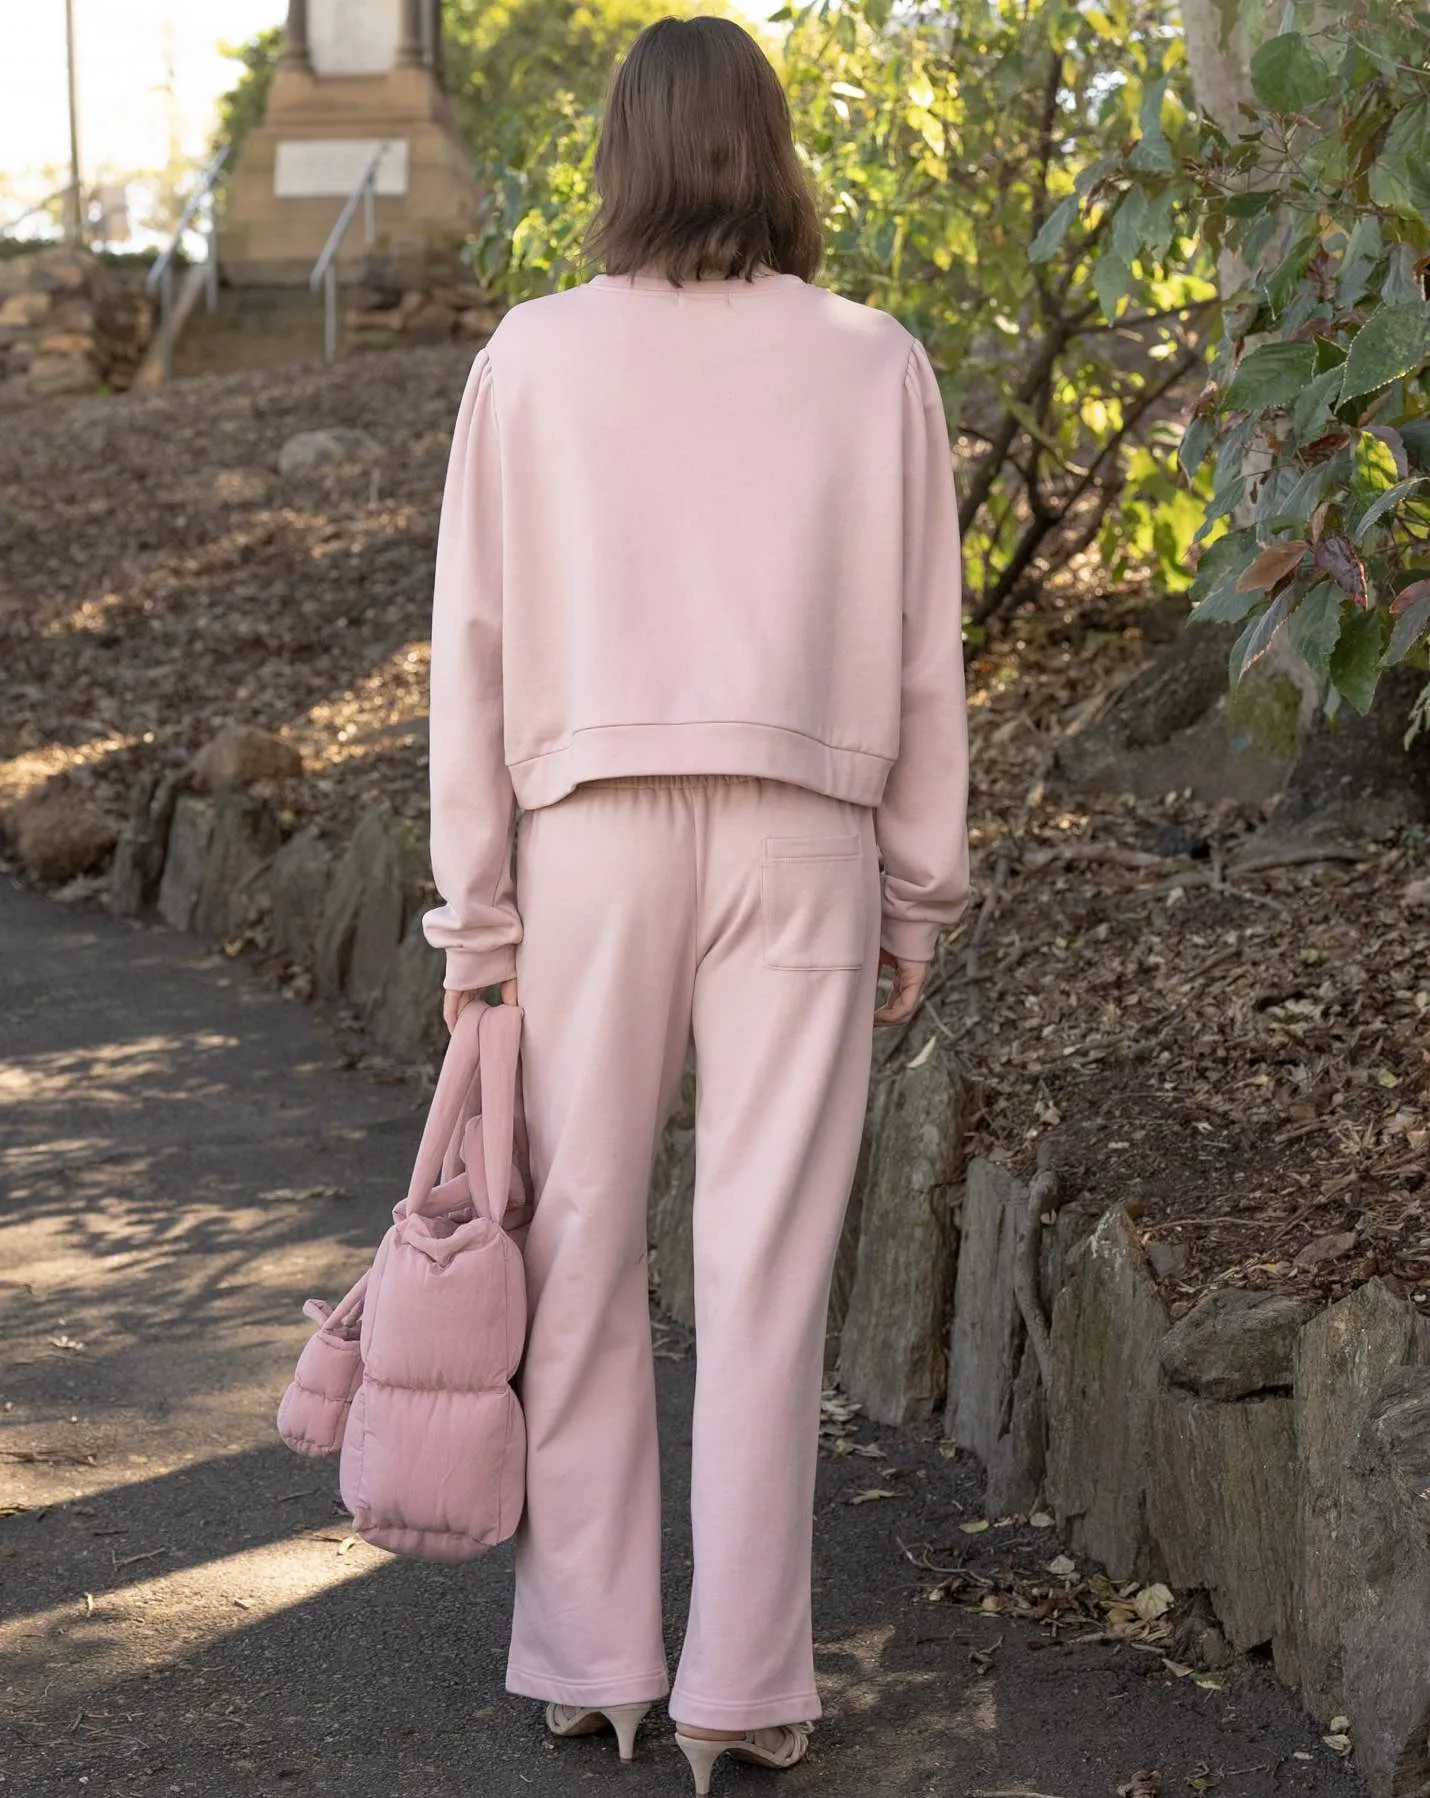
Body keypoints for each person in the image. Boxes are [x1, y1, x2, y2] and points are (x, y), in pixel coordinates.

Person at [422, 15, 969, 1792]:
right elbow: (921, 654)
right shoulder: (872, 359)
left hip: (589, 843)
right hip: (803, 834)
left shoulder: (531, 355)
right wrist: (915, 894)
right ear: (773, 147)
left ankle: (595, 1663)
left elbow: (473, 654)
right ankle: (744, 1688)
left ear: (623, 155)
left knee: (579, 1249)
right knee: (764, 1271)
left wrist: (475, 918)